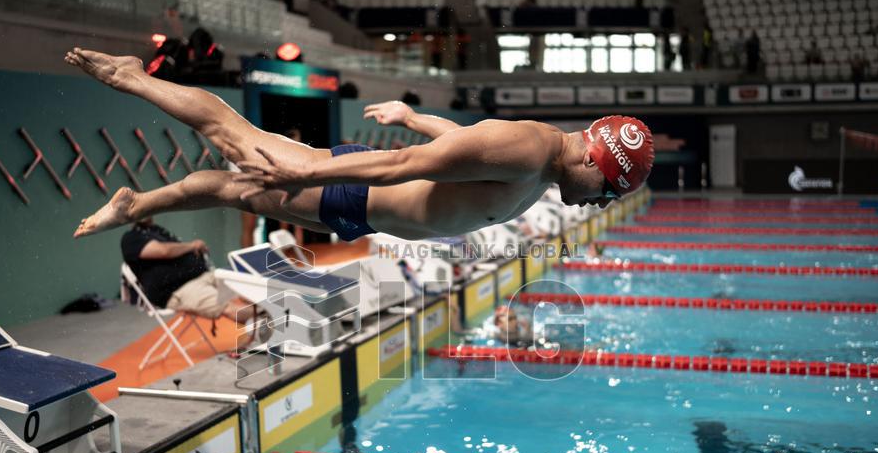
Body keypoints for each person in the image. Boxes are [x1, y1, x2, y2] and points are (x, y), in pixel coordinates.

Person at [65, 49, 654, 243]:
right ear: (594, 159)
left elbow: (465, 151)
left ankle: (136, 204)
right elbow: (403, 164)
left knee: (232, 189)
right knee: (235, 140)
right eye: (607, 191)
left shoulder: (539, 163)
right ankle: (133, 78)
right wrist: (305, 176)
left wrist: (414, 116)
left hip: (360, 212)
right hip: (353, 192)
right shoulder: (529, 147)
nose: (600, 202)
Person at [121, 217, 256, 344]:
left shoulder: (157, 230)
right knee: (227, 306)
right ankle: (263, 319)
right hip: (178, 290)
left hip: (202, 275)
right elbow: (163, 251)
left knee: (245, 284)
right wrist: (192, 246)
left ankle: (262, 316)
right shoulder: (130, 238)